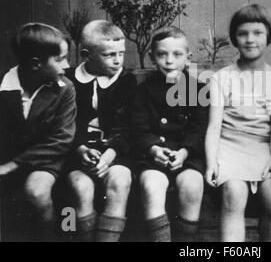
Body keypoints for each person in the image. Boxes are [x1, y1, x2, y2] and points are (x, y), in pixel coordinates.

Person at [205, 4, 271, 242]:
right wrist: (211, 163)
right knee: (233, 192)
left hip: (265, 147)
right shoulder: (222, 78)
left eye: (257, 33)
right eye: (243, 34)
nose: (250, 40)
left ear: (268, 36)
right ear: (234, 38)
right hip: (230, 147)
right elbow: (214, 127)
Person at [131, 26, 208, 242]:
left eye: (177, 54)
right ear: (151, 58)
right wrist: (153, 148)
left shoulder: (197, 90)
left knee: (192, 184)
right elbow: (138, 127)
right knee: (151, 185)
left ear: (188, 58)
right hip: (153, 156)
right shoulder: (143, 91)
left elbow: (199, 127)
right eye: (162, 54)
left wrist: (184, 152)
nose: (169, 61)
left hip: (188, 156)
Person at [0, 23, 76, 241]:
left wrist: (13, 165)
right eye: (60, 59)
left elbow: (62, 139)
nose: (67, 65)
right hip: (5, 157)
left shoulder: (64, 88)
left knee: (37, 192)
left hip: (47, 158)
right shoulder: (4, 87)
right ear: (36, 64)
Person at [65, 20, 135, 242]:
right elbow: (66, 122)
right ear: (87, 55)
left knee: (120, 180)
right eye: (109, 55)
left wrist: (110, 154)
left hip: (115, 151)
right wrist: (80, 148)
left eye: (121, 54)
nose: (118, 60)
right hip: (78, 152)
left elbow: (127, 125)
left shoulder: (125, 80)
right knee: (80, 186)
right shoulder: (69, 81)